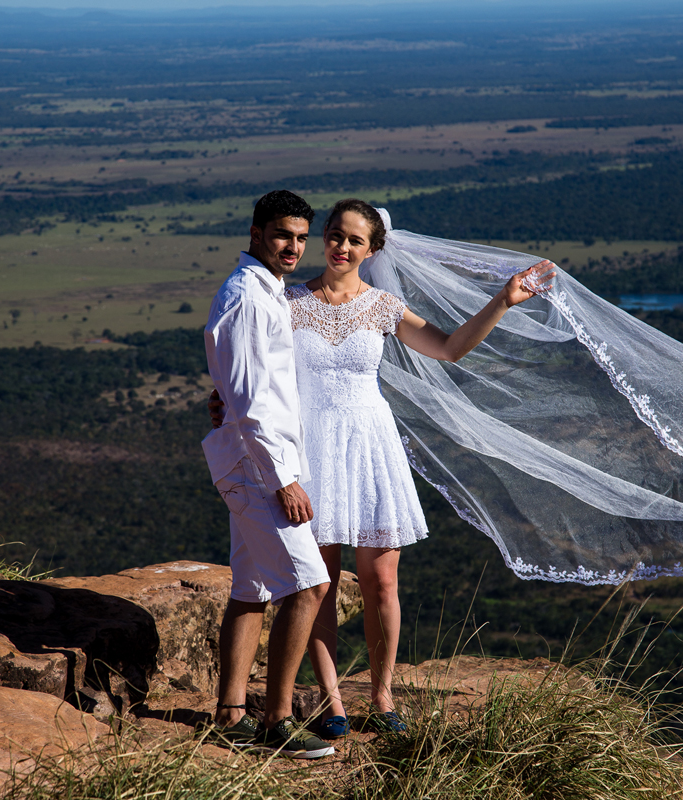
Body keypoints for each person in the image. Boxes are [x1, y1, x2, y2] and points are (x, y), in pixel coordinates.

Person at [213, 198, 555, 736]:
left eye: (355, 240)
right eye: (335, 235)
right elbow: (251, 362)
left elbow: (449, 348)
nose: (341, 247)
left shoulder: (382, 306)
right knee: (318, 583)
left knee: (382, 581)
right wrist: (222, 400)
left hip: (370, 445)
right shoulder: (287, 301)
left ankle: (382, 695)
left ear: (372, 250)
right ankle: (331, 701)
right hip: (310, 449)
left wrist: (503, 301)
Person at [201, 190, 335, 759]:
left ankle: (230, 715)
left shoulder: (263, 291)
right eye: (283, 235)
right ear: (256, 233)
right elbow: (253, 401)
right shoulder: (250, 298)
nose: (294, 247)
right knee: (309, 586)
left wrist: (223, 400)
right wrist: (283, 479)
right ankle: (276, 722)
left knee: (252, 588)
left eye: (301, 238)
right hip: (259, 467)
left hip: (250, 459)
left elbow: (242, 385)